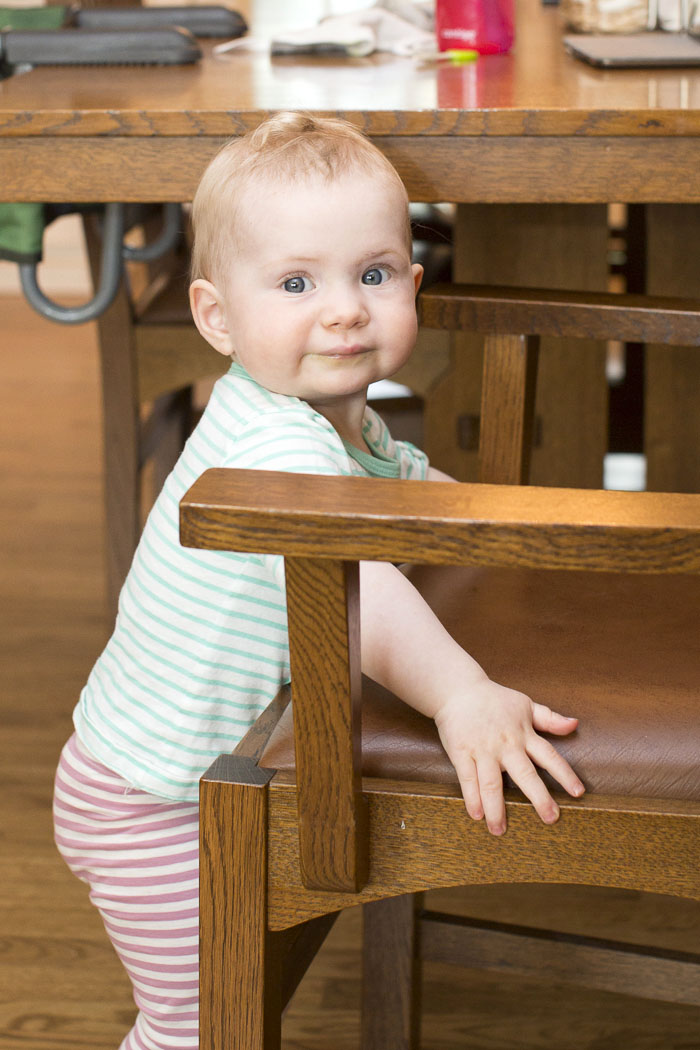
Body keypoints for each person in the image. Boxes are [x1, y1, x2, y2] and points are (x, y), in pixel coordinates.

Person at [53, 112, 585, 1050]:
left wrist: (530, 536)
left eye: (373, 276)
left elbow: (421, 496)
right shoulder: (274, 444)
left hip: (205, 774)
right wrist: (460, 692)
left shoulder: (342, 430)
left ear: (413, 286)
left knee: (213, 1006)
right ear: (217, 316)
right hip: (153, 802)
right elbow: (364, 593)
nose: (345, 309)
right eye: (297, 282)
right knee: (199, 1026)